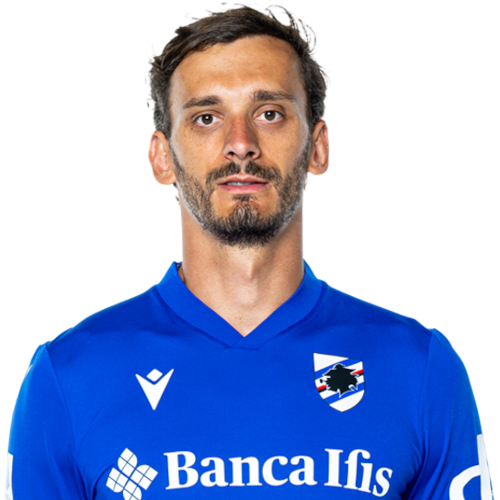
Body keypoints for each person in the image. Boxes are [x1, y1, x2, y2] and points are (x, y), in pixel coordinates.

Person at [6, 4, 493, 499]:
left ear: (318, 147)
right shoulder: (69, 377)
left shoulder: (419, 369)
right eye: (207, 117)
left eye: (269, 113)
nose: (241, 144)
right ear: (161, 157)